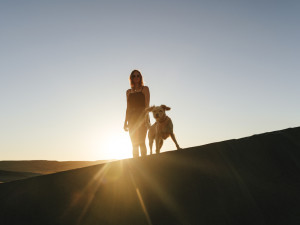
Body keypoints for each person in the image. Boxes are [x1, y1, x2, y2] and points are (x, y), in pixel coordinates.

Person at [124, 70, 150, 158]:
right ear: (131, 78)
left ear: (140, 77)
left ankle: (144, 162)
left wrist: (147, 119)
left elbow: (147, 105)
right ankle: (136, 164)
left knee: (142, 141)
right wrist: (125, 122)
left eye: (138, 75)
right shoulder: (128, 92)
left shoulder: (145, 89)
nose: (136, 77)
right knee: (134, 143)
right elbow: (128, 108)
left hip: (142, 117)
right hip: (132, 119)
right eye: (134, 76)